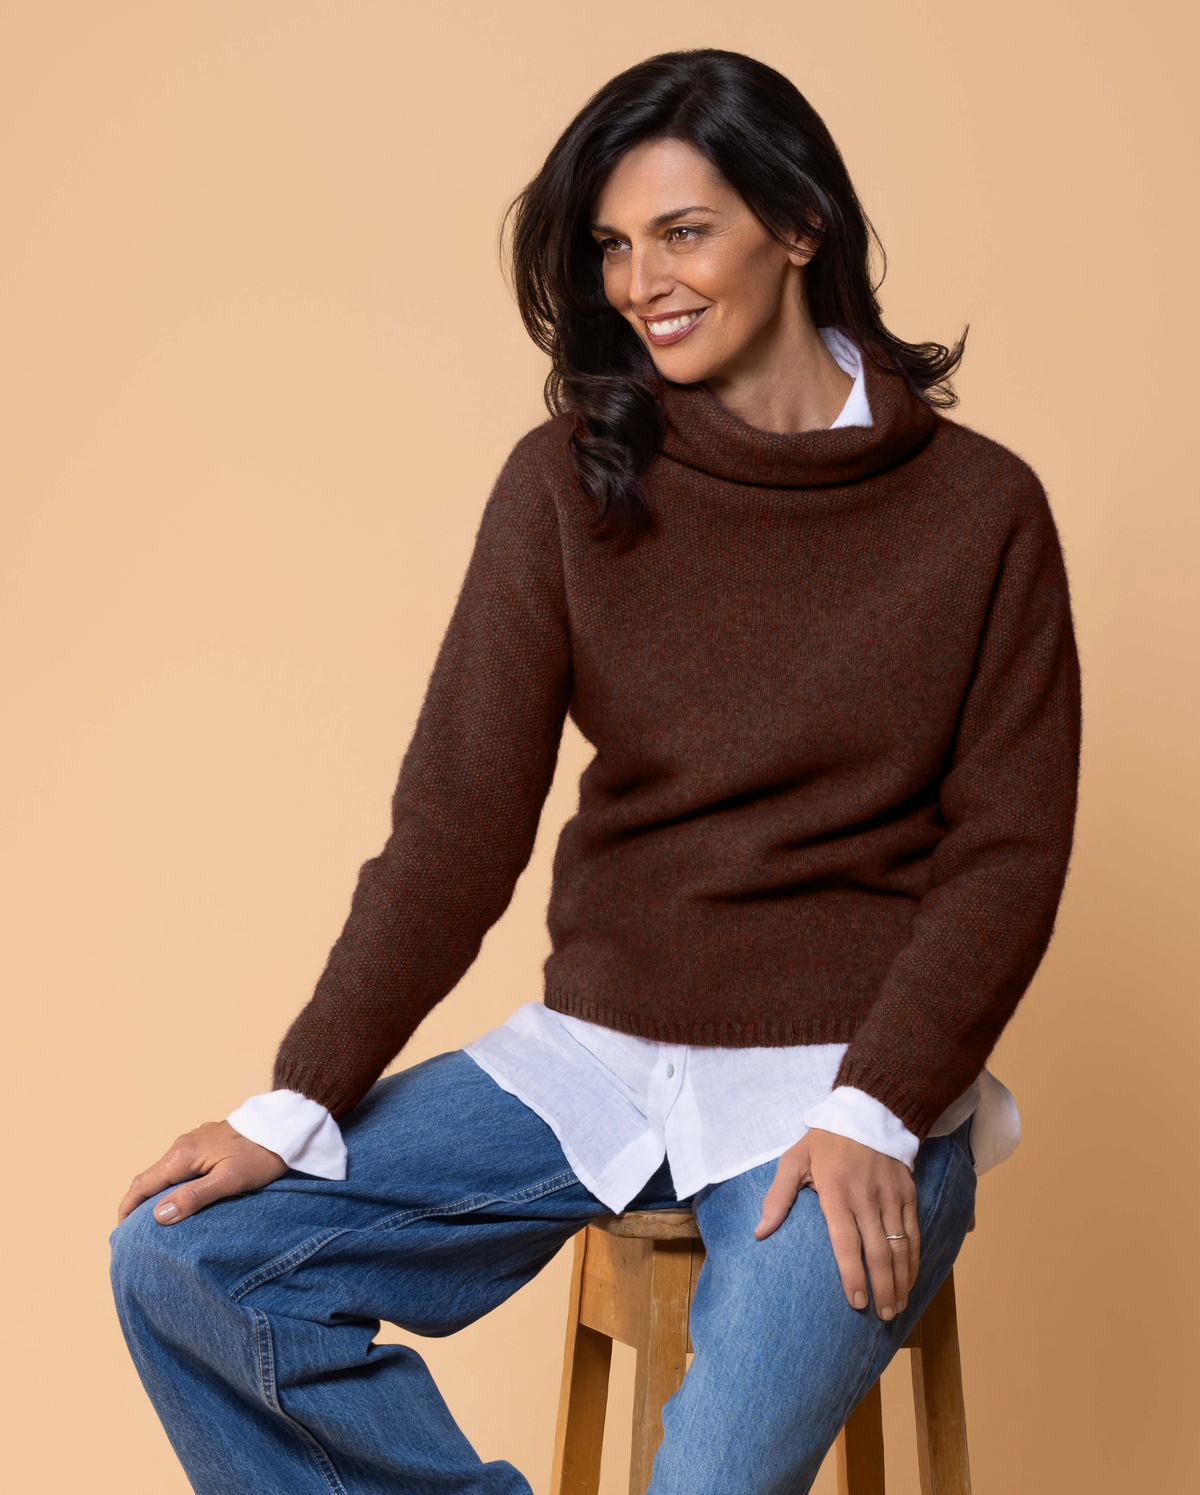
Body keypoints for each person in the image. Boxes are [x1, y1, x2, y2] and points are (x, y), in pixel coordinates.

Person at [110, 48, 1079, 1495]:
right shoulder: (569, 480)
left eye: (682, 232)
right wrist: (298, 1098)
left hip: (847, 1081)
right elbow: (454, 828)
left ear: (798, 223)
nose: (641, 283)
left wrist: (882, 1103)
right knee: (183, 1256)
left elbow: (1007, 854)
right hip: (602, 1058)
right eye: (615, 246)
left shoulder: (982, 509)